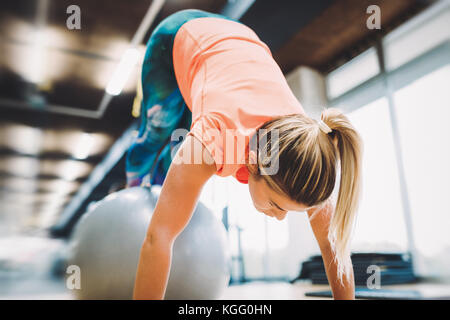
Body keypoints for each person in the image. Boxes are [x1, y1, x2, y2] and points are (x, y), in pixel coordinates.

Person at [128, 9, 363, 300]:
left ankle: (169, 173)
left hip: (240, 39)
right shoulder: (213, 140)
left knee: (180, 145)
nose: (278, 218)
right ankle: (135, 179)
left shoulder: (309, 159)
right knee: (160, 128)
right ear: (253, 162)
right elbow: (158, 237)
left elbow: (333, 249)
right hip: (180, 34)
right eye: (278, 205)